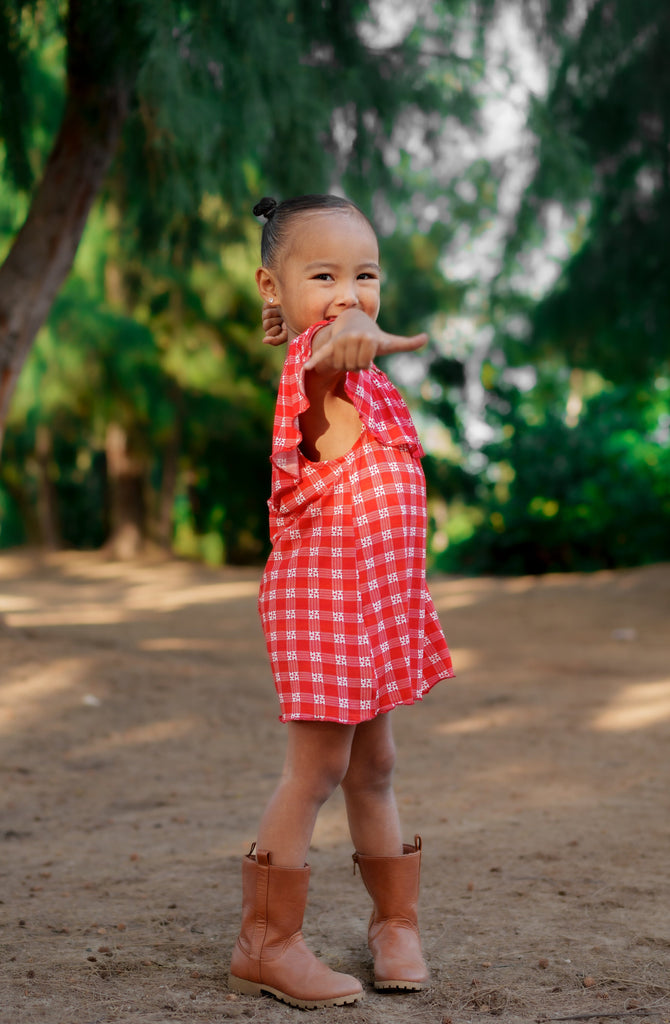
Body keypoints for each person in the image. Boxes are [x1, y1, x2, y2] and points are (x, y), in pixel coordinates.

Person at [228, 194, 454, 1009]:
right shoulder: (315, 376)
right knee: (318, 766)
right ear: (272, 287)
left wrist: (357, 332)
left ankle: (396, 923)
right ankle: (267, 941)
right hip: (323, 610)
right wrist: (341, 334)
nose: (348, 292)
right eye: (321, 275)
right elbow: (332, 348)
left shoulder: (375, 386)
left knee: (376, 765)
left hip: (375, 606)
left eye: (365, 275)